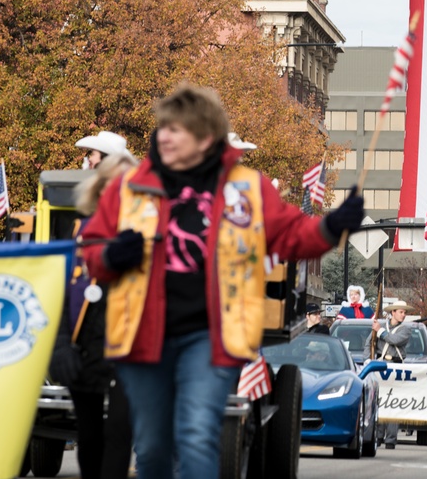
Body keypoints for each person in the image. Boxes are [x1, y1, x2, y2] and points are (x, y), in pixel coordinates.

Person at [82, 84, 365, 479]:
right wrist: (111, 255)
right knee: (151, 445)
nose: (163, 135)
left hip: (211, 338)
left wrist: (333, 226)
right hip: (143, 337)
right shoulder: (130, 187)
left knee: (197, 435)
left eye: (175, 129)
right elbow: (90, 251)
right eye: (162, 128)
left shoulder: (248, 190)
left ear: (204, 136)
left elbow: (293, 237)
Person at [49, 152, 137, 479]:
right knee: (89, 436)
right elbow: (56, 292)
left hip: (130, 349)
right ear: (99, 190)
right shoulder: (77, 235)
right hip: (84, 346)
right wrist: (59, 346)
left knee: (119, 431)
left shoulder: (151, 235)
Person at [373, 299, 414, 449]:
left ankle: (390, 439)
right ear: (393, 313)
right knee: (379, 402)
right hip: (380, 364)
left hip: (396, 366)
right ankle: (377, 436)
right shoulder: (380, 327)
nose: (403, 315)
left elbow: (395, 340)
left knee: (392, 403)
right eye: (401, 312)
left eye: (404, 312)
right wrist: (367, 361)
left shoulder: (405, 329)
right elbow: (369, 345)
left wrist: (380, 331)